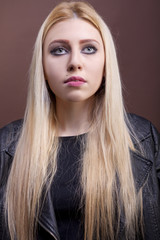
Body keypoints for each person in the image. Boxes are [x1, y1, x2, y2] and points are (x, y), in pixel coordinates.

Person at [0, 1, 160, 240]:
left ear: (106, 64)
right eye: (59, 50)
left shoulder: (144, 138)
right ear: (42, 66)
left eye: (89, 49)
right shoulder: (7, 145)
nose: (75, 62)